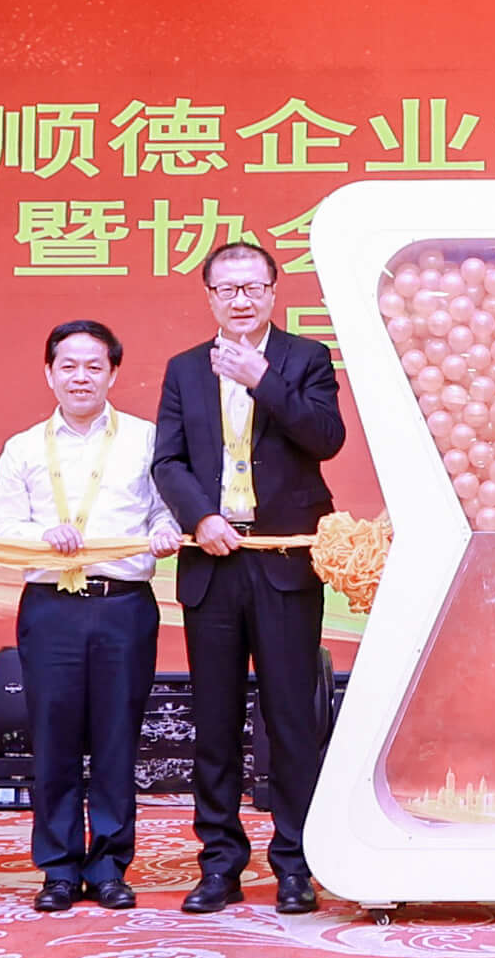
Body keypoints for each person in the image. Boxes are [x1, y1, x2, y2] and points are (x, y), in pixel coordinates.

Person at [147, 241, 347, 915]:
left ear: (272, 292)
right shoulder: (184, 369)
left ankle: (296, 863)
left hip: (283, 561)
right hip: (213, 561)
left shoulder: (305, 358)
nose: (240, 300)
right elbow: (168, 461)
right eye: (227, 289)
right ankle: (220, 863)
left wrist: (264, 379)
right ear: (209, 296)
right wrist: (199, 518)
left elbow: (326, 438)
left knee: (291, 718)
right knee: (215, 720)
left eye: (252, 287)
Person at [0, 321, 178, 913]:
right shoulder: (24, 447)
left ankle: (109, 866)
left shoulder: (145, 440)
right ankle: (58, 869)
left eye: (93, 367)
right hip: (51, 608)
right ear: (49, 373)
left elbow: (165, 512)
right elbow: (2, 525)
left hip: (122, 606)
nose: (80, 377)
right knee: (53, 740)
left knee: (116, 739)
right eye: (68, 366)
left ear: (113, 374)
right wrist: (42, 535)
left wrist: (167, 530)